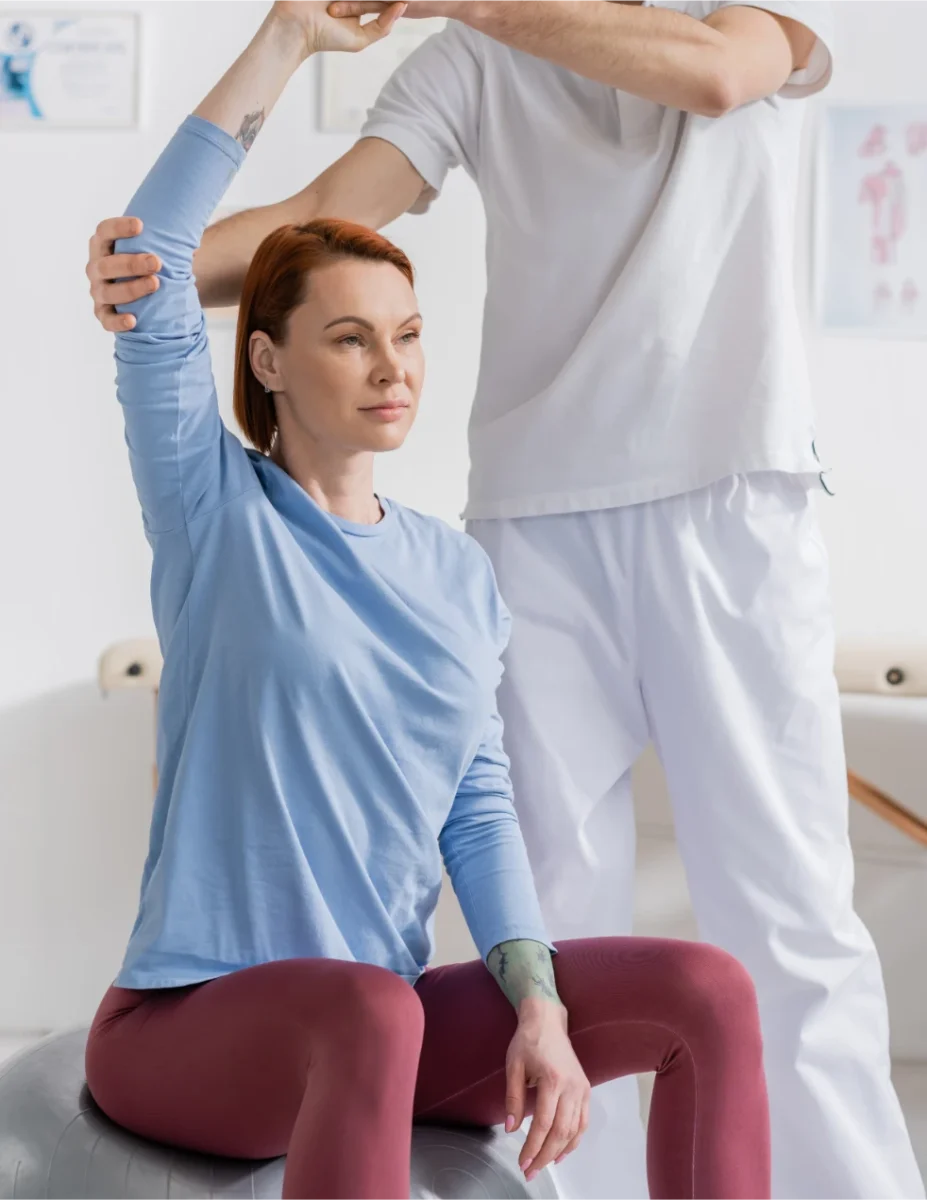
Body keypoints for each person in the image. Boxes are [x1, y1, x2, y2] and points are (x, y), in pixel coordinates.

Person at [85, 0, 926, 1198]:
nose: (392, 366)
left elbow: (718, 78)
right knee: (546, 909)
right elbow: (292, 226)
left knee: (772, 933)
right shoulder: (226, 515)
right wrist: (143, 264)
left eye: (406, 336)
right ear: (275, 361)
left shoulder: (735, 19)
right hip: (535, 510)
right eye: (354, 340)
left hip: (729, 498)